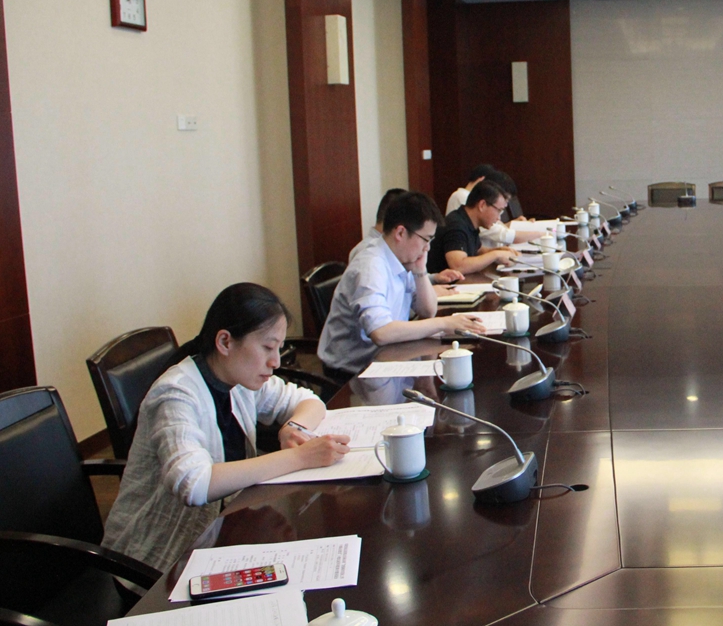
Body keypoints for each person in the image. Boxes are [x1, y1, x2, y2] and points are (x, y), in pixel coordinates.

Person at [101, 284, 351, 570]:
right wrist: (299, 457)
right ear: (225, 342)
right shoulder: (175, 394)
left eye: (279, 349)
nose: (275, 362)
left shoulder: (239, 378)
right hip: (156, 561)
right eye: (267, 347)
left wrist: (294, 427)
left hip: (221, 530)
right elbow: (194, 484)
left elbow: (308, 400)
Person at [320, 191, 486, 380]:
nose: (427, 248)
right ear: (400, 232)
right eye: (426, 239)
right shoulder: (371, 265)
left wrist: (420, 270)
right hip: (351, 373)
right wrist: (443, 323)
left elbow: (427, 310)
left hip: (386, 358)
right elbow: (381, 332)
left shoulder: (401, 259)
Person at [351, 189, 463, 285]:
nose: (427, 247)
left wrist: (433, 278)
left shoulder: (392, 249)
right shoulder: (368, 255)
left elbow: (405, 281)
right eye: (425, 239)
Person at [427, 180, 520, 275]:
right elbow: (458, 266)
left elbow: (477, 250)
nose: (498, 218)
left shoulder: (469, 221)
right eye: (498, 210)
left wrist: (497, 251)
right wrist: (495, 255)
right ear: (482, 205)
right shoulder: (456, 226)